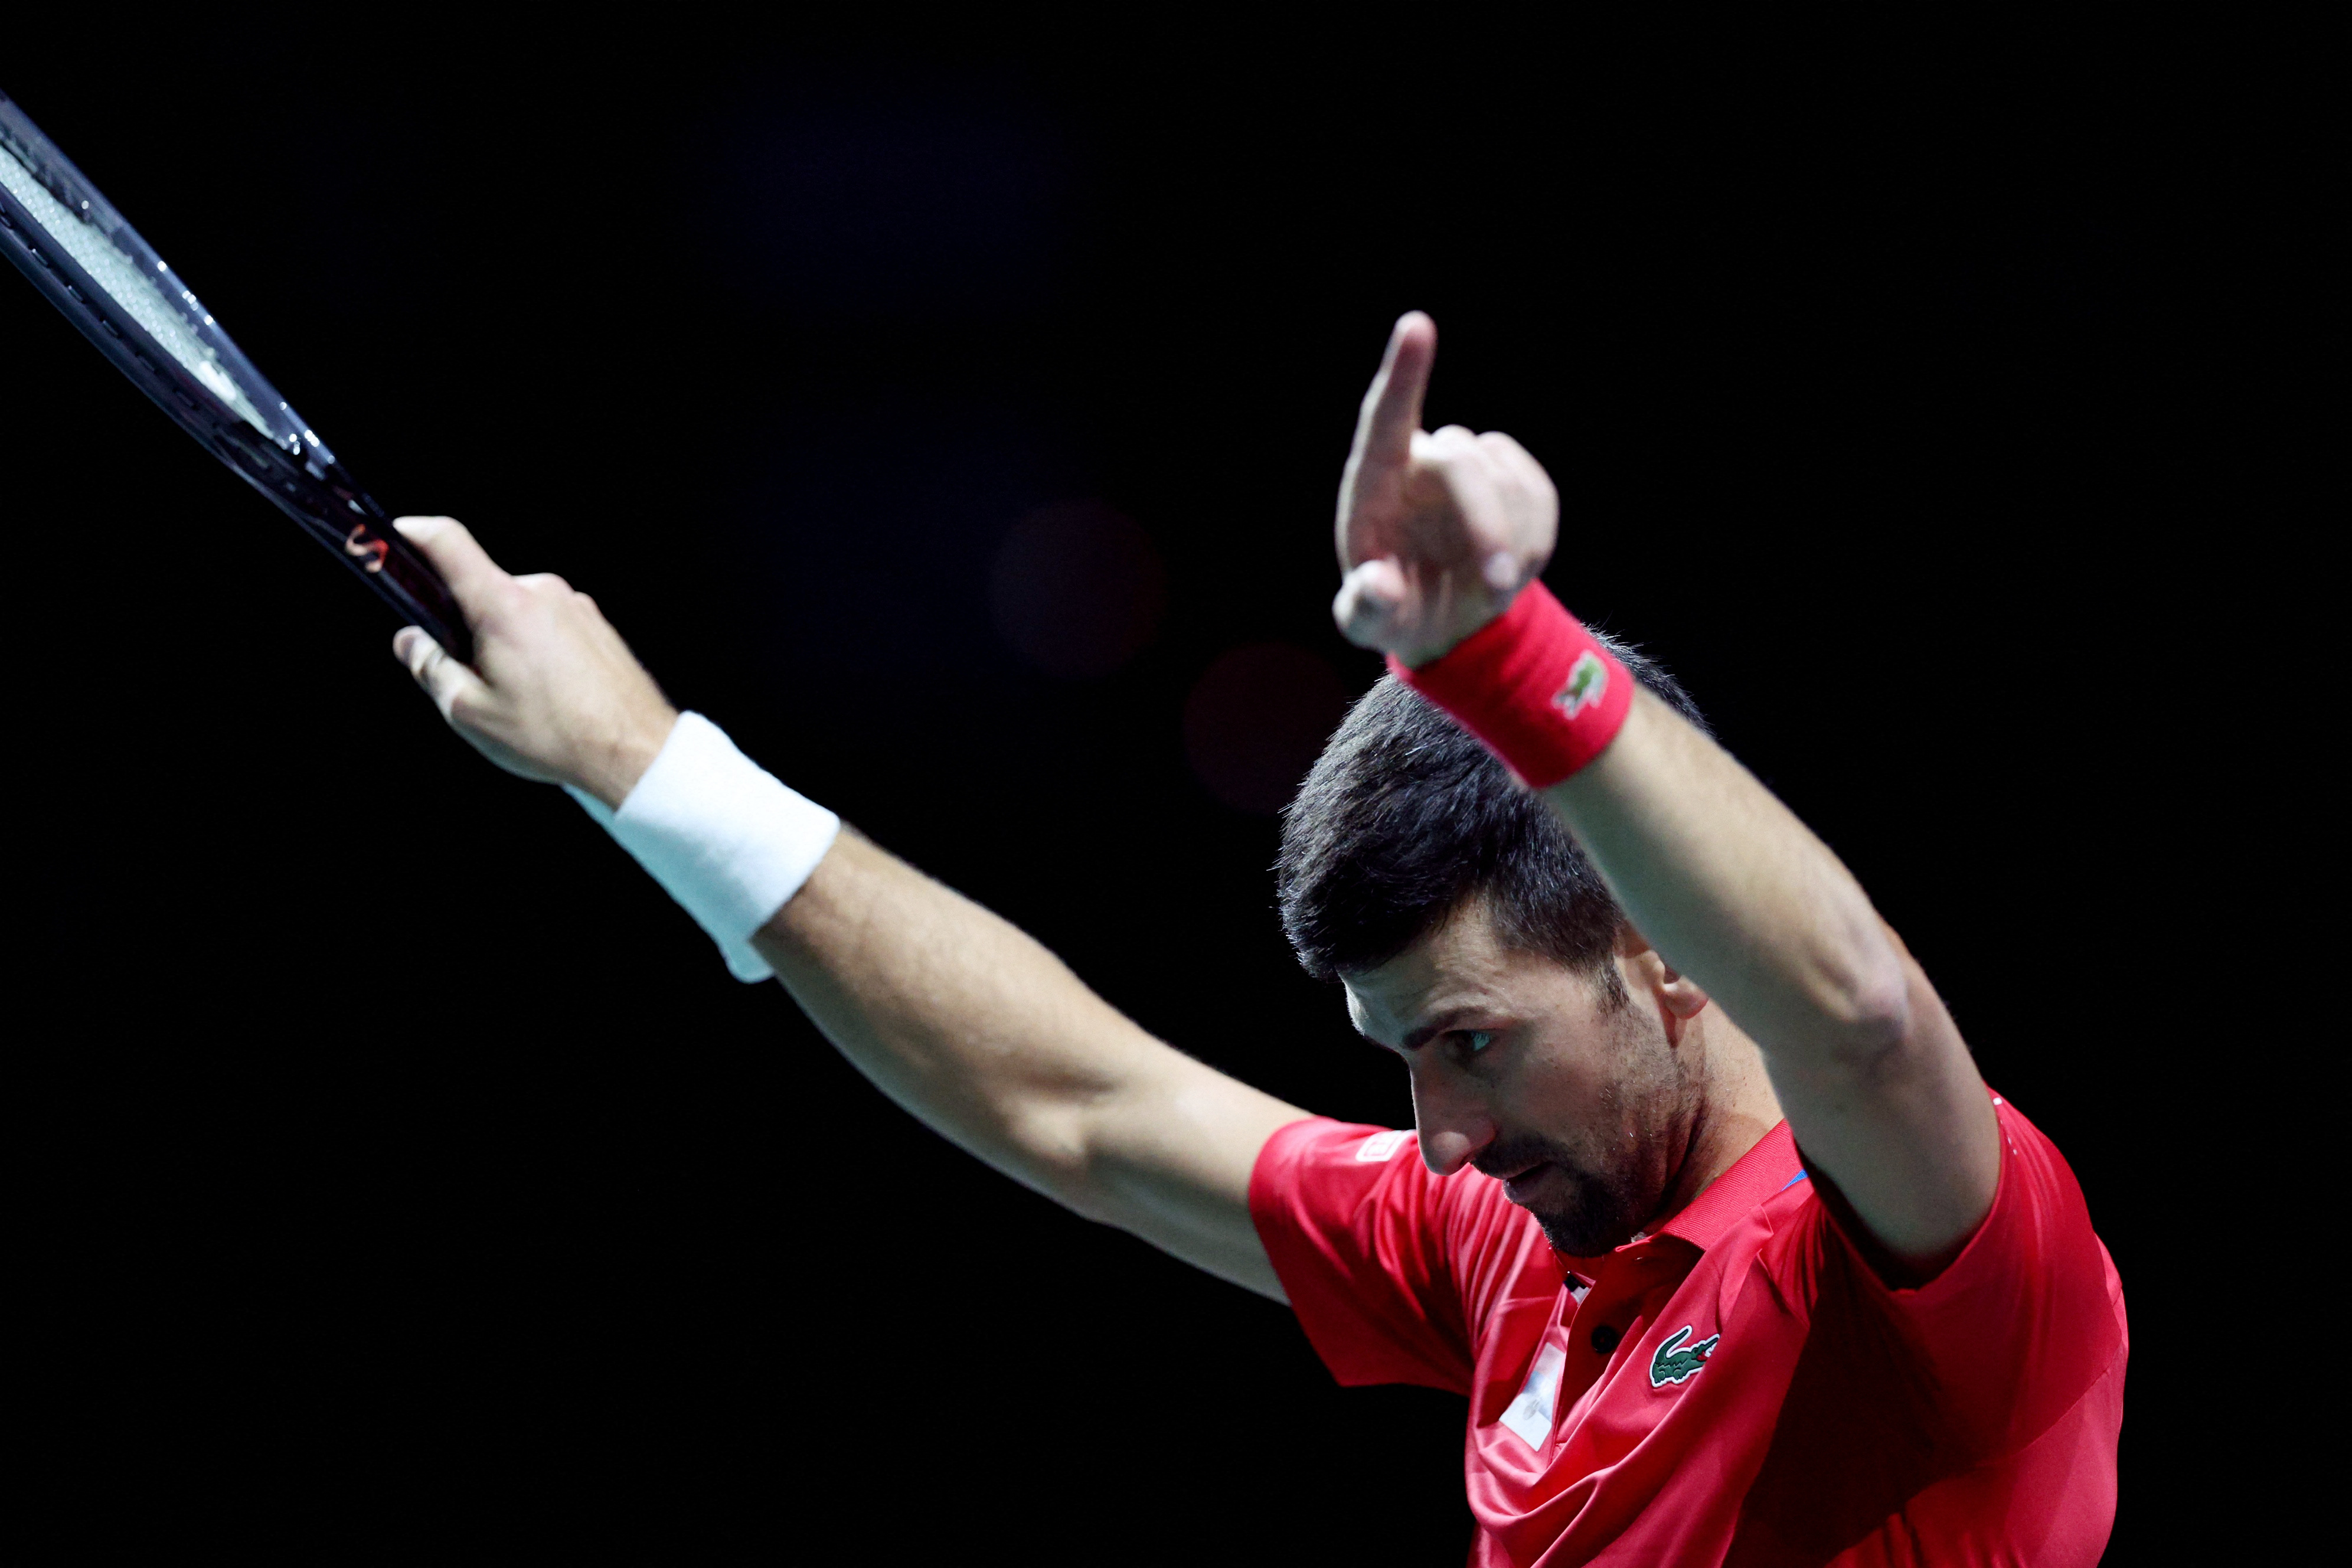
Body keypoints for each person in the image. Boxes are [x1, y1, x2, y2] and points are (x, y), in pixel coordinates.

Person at [387, 313, 2125, 1564]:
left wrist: (1511, 660)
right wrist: (644, 768)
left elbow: (1866, 1021)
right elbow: (1082, 1107)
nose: (1442, 1138)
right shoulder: (1513, 1250)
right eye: (1410, 1065)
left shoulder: (1925, 1284)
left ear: (1654, 950)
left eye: (1471, 1041)